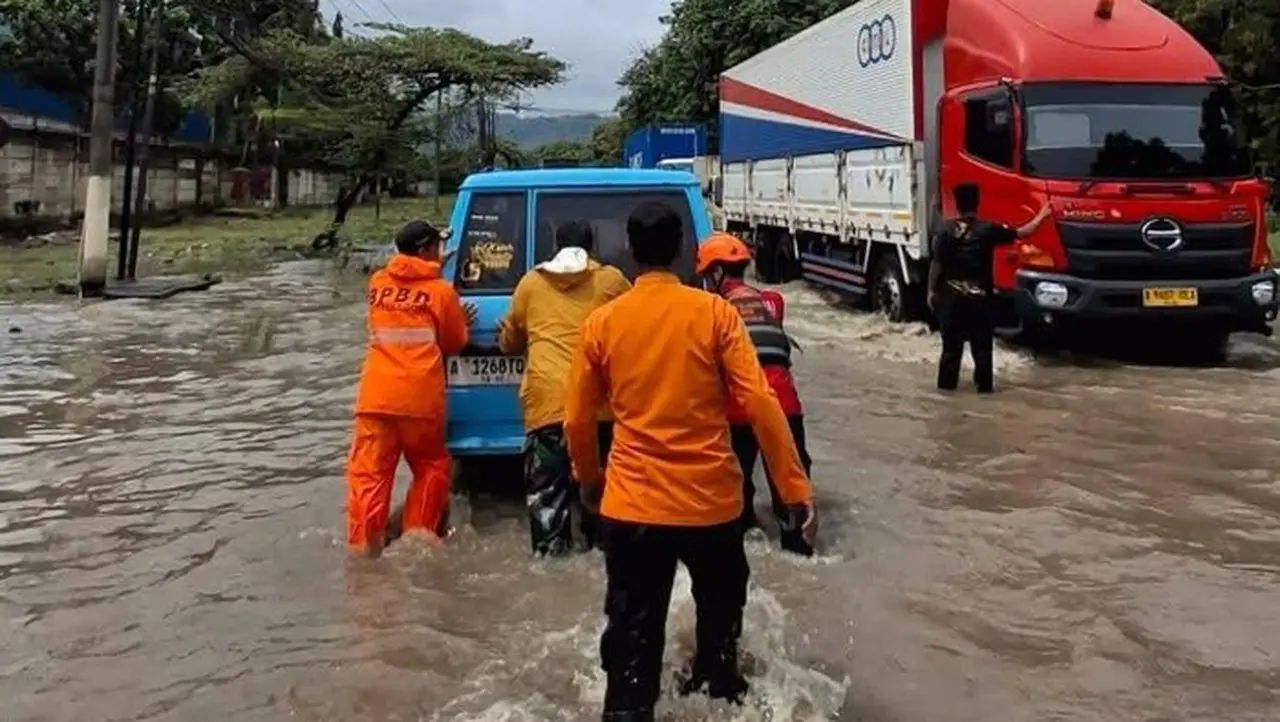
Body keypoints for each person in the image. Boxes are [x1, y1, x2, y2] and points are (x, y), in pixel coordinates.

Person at [563, 202, 817, 721]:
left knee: (632, 654)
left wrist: (590, 480)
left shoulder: (603, 323)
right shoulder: (715, 314)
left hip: (632, 508)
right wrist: (793, 490)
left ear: (632, 253)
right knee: (720, 648)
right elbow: (762, 404)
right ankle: (716, 687)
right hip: (712, 507)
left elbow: (576, 420)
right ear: (680, 249)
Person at [498, 220, 632, 557]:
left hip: (547, 407)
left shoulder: (529, 284)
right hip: (598, 408)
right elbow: (639, 326)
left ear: (555, 246)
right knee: (603, 497)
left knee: (547, 500)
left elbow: (510, 342)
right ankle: (602, 552)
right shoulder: (612, 281)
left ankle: (552, 561)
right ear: (592, 248)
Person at [346, 220, 475, 558]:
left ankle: (363, 553)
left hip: (375, 400)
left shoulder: (377, 283)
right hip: (419, 401)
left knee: (368, 478)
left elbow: (406, 289)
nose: (441, 251)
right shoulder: (442, 292)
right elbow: (455, 341)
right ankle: (417, 543)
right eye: (437, 246)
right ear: (426, 250)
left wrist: (430, 269)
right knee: (431, 468)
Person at [695, 232, 814, 556]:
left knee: (733, 497)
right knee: (792, 498)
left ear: (716, 274)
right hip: (786, 405)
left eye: (706, 276)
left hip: (739, 408)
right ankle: (797, 549)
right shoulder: (772, 301)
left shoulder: (711, 309)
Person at [927, 184, 1052, 394]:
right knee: (983, 350)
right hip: (980, 302)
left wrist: (930, 291)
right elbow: (1024, 232)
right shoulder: (989, 230)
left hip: (952, 302)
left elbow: (936, 264)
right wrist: (1042, 215)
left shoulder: (945, 231)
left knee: (950, 352)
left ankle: (945, 398)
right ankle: (984, 392)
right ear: (977, 204)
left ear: (957, 204)